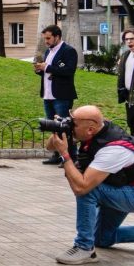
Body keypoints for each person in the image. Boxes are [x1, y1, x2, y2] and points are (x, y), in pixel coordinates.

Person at [47, 105, 134, 264]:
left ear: (90, 129)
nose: (70, 126)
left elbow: (81, 187)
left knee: (88, 190)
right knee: (102, 238)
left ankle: (84, 248)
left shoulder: (113, 149)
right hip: (122, 187)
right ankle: (92, 242)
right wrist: (60, 130)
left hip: (131, 192)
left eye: (73, 124)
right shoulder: (96, 130)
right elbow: (49, 147)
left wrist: (65, 154)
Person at [36, 24, 79, 165]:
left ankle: (71, 157)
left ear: (57, 37)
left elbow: (68, 71)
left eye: (48, 38)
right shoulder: (48, 52)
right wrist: (40, 70)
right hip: (48, 95)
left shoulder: (69, 51)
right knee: (53, 128)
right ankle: (56, 155)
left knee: (64, 128)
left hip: (61, 96)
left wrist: (47, 67)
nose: (46, 41)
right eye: (45, 39)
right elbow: (50, 71)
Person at [117, 28, 134, 135]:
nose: (129, 41)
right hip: (129, 97)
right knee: (132, 124)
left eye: (132, 38)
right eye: (126, 39)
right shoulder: (126, 55)